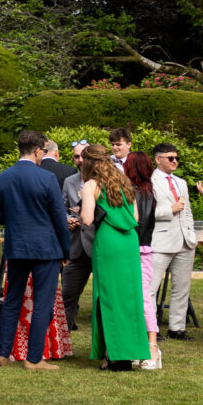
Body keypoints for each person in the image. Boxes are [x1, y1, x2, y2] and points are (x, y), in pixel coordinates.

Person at [0, 129, 70, 371]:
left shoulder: (3, 177)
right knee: (43, 302)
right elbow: (59, 218)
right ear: (37, 151)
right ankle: (34, 358)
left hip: (17, 246)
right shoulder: (46, 178)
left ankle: (3, 354)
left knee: (12, 300)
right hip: (46, 247)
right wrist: (65, 251)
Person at [77, 144, 149, 369]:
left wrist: (79, 209)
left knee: (108, 297)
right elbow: (136, 216)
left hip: (108, 242)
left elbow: (87, 219)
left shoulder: (91, 185)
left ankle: (113, 354)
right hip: (128, 241)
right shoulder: (125, 182)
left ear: (88, 163)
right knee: (128, 297)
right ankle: (128, 353)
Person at [147, 141, 203, 341]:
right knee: (150, 287)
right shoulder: (149, 181)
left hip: (185, 240)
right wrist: (168, 211)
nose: (175, 161)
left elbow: (187, 210)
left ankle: (177, 328)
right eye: (170, 158)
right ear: (158, 159)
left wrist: (191, 232)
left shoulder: (181, 182)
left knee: (182, 287)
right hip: (160, 240)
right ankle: (150, 329)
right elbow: (144, 213)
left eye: (176, 158)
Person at [60, 140, 93, 332]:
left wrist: (82, 214)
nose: (80, 160)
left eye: (84, 156)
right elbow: (62, 209)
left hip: (98, 244)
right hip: (75, 246)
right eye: (76, 156)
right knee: (68, 295)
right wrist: (66, 219)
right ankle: (63, 338)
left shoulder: (103, 182)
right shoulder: (69, 181)